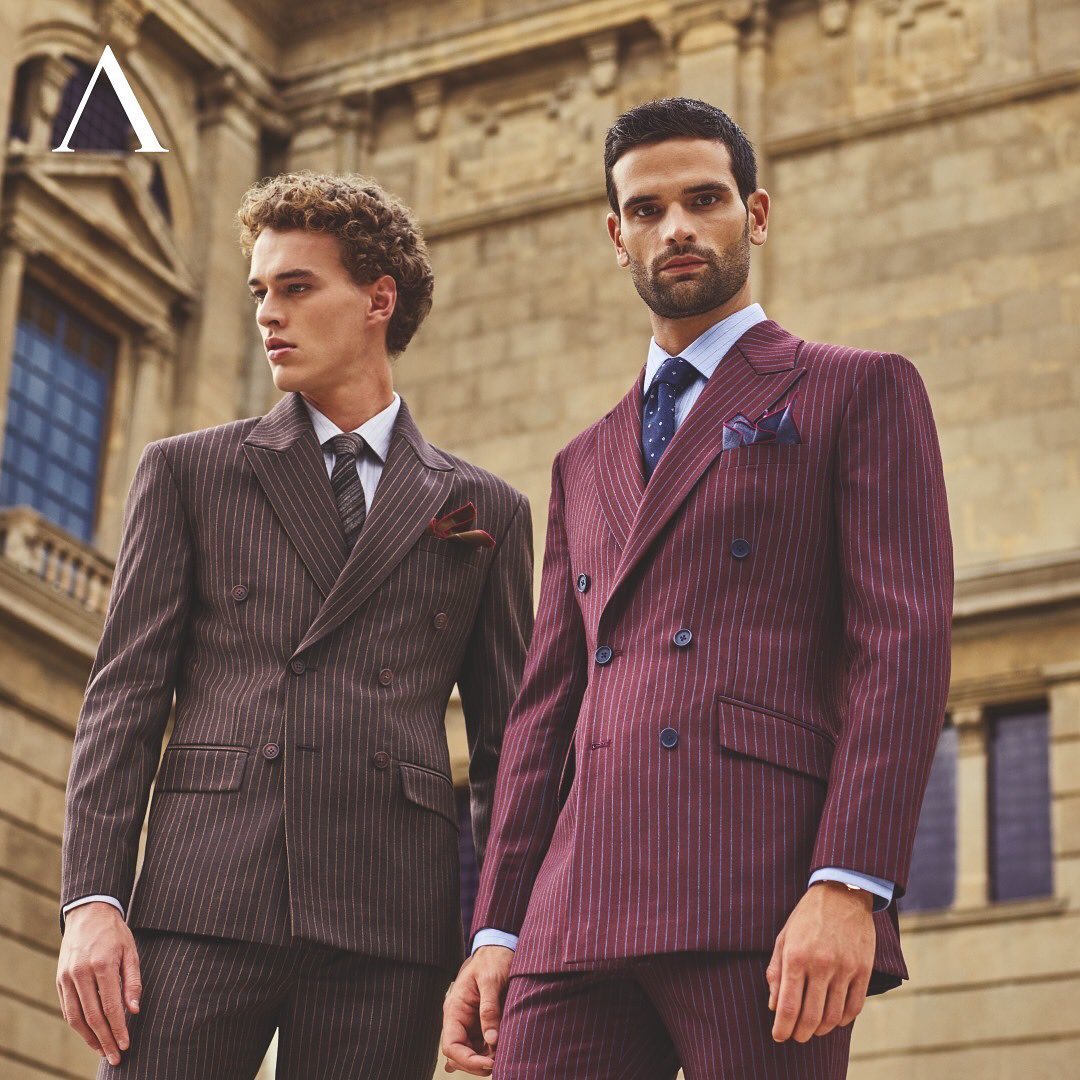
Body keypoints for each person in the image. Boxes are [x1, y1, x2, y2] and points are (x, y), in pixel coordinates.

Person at [442, 97, 953, 1079]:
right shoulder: (580, 461)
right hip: (573, 913)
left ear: (753, 215)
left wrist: (849, 882)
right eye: (646, 209)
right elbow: (544, 712)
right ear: (615, 234)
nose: (675, 227)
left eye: (703, 199)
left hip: (757, 888)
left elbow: (903, 644)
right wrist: (498, 924)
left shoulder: (855, 388)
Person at [56, 171, 534, 1079]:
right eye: (260, 292)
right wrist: (92, 899)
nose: (268, 314)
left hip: (389, 918)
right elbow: (122, 701)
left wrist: (499, 930)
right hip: (205, 894)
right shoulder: (189, 473)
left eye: (297, 288)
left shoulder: (486, 511)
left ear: (377, 301)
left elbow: (512, 749)